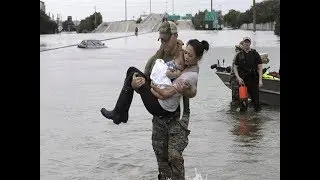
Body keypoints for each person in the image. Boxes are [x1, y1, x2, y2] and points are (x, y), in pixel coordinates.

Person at [131, 21, 199, 180]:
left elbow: (194, 88)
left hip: (177, 117)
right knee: (162, 160)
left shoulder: (185, 57)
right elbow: (145, 83)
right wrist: (135, 85)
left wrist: (184, 88)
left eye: (166, 39)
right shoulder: (155, 59)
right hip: (158, 117)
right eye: (160, 40)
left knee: (174, 157)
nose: (163, 43)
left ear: (175, 36)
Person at [100, 39, 208, 125]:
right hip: (161, 100)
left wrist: (151, 87)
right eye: (186, 53)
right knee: (132, 71)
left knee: (133, 73)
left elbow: (165, 94)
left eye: (190, 55)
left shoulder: (189, 76)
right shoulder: (188, 66)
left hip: (160, 107)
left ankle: (119, 114)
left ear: (198, 57)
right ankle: (121, 113)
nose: (186, 57)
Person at [234, 37, 263, 112]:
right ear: (242, 43)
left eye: (248, 42)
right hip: (243, 81)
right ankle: (243, 120)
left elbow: (260, 67)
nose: (246, 43)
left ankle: (257, 120)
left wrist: (260, 80)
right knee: (243, 103)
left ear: (250, 43)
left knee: (256, 103)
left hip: (253, 80)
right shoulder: (239, 55)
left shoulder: (255, 53)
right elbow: (235, 67)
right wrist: (238, 77)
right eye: (245, 42)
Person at [230, 41, 244, 108]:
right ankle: (234, 113)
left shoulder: (241, 54)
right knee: (236, 97)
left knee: (239, 97)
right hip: (235, 78)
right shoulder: (238, 55)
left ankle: (235, 114)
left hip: (238, 78)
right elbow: (235, 69)